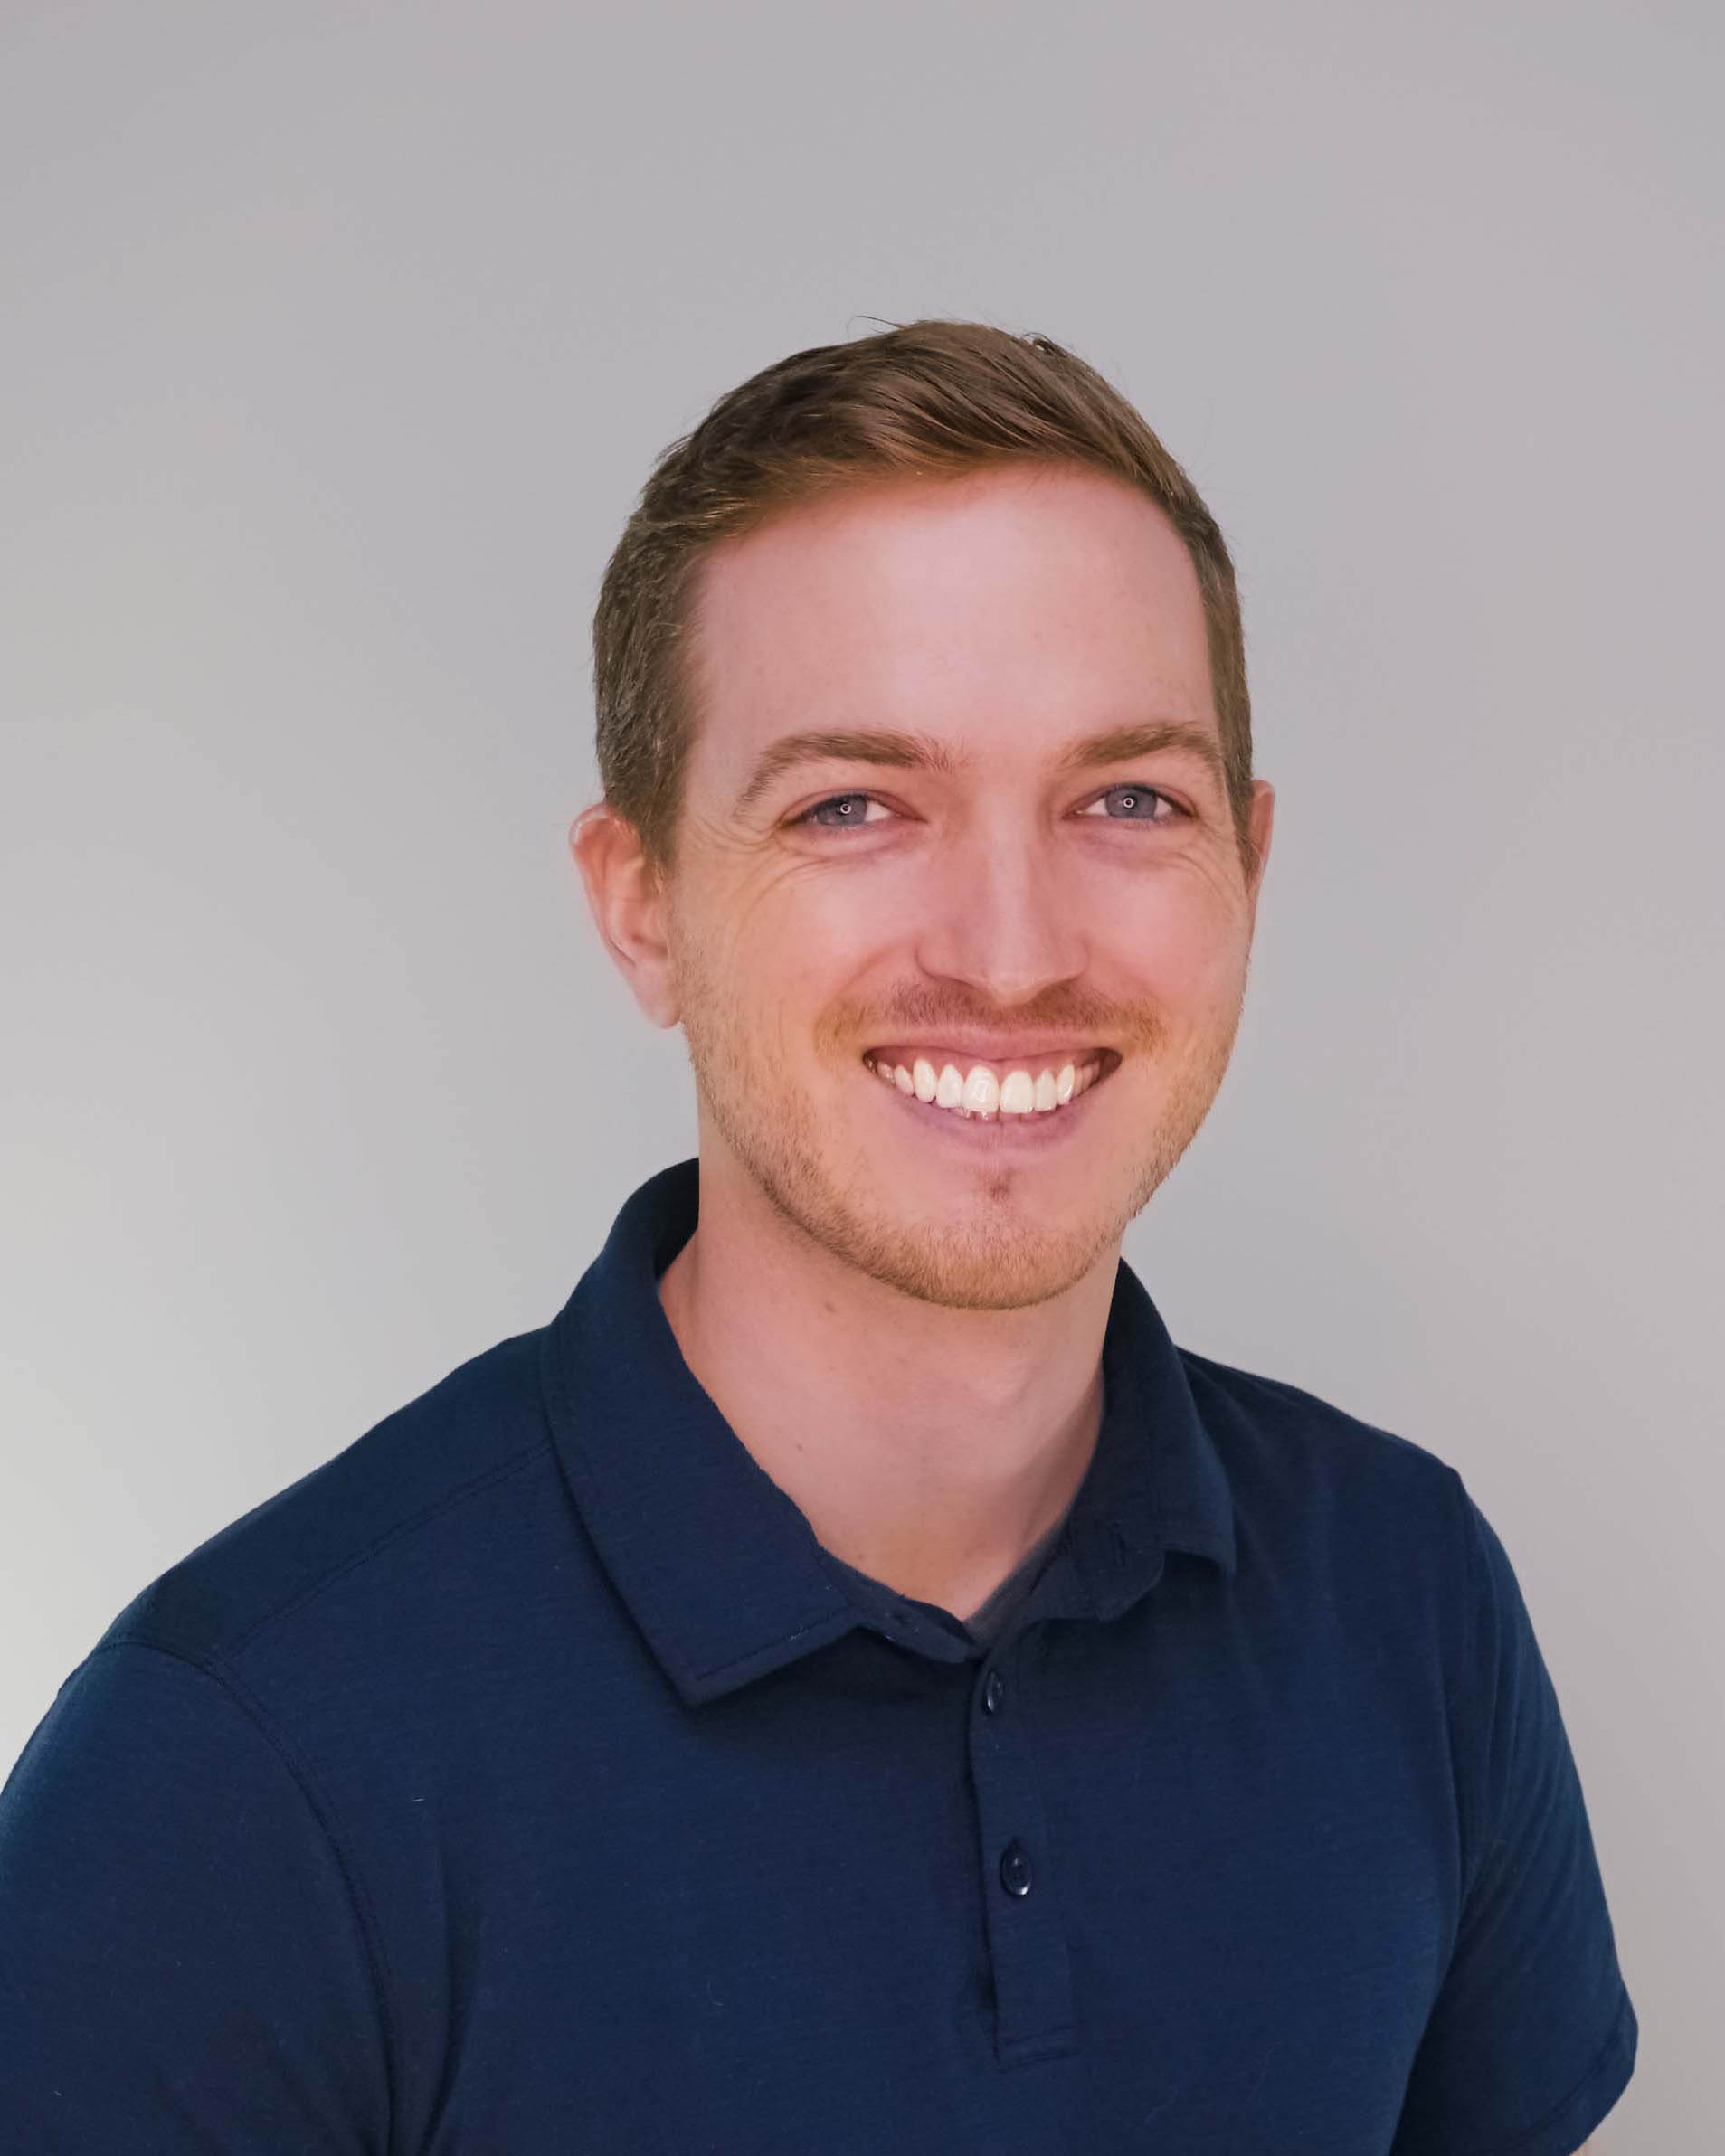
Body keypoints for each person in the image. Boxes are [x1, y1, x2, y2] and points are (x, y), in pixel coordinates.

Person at [0, 320, 1635, 2151]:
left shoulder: (1405, 1598)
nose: (1012, 950)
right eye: (854, 805)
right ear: (644, 907)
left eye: (1128, 800)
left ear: (1248, 867)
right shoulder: (228, 1776)